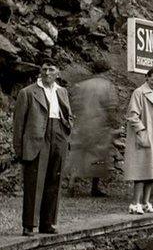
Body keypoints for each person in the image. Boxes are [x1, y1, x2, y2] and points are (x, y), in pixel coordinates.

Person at [13, 58, 74, 236]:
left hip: (59, 135)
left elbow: (68, 113)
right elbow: (18, 124)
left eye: (51, 69)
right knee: (34, 182)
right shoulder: (28, 92)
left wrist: (67, 126)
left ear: (58, 73)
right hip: (36, 138)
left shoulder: (62, 92)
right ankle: (29, 224)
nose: (47, 73)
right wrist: (19, 148)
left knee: (54, 181)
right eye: (44, 69)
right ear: (40, 71)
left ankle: (48, 223)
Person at [64, 58, 118, 198]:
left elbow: (74, 105)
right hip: (99, 126)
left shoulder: (81, 85)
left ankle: (71, 184)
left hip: (82, 125)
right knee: (98, 157)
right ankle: (94, 187)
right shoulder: (107, 86)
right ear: (106, 71)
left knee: (79, 154)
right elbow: (111, 107)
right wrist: (114, 124)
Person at [123, 68, 153, 214]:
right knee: (141, 171)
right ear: (147, 78)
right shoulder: (139, 92)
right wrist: (141, 130)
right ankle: (135, 203)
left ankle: (146, 202)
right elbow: (132, 115)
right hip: (144, 135)